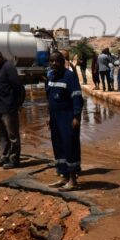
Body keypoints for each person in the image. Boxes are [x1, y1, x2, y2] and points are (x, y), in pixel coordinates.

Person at [45, 52, 84, 191]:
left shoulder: (70, 76)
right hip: (55, 117)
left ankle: (73, 180)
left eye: (57, 61)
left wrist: (76, 117)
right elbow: (49, 98)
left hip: (67, 117)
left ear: (63, 62)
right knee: (58, 145)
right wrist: (49, 116)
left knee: (70, 146)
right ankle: (64, 176)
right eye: (51, 61)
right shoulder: (51, 76)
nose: (54, 63)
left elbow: (77, 97)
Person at [0, 49, 26, 169]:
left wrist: (18, 104)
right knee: (1, 136)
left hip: (8, 109)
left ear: (0, 56)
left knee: (12, 136)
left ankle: (14, 159)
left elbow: (18, 87)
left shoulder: (8, 67)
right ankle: (4, 157)